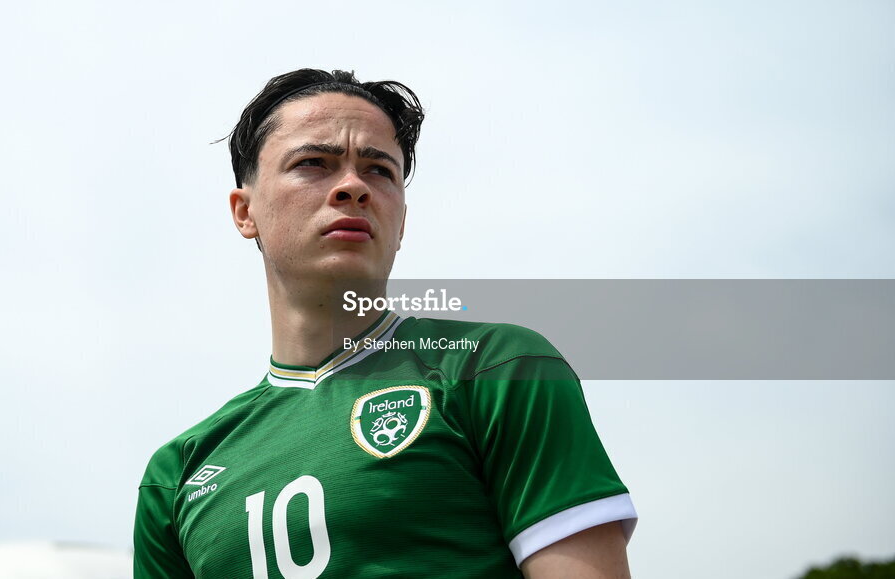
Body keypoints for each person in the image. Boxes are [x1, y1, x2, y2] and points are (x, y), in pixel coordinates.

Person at [133, 68, 637, 578]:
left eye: (379, 171)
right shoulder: (178, 474)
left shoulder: (498, 367)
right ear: (245, 212)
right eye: (314, 163)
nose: (353, 186)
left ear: (402, 220)